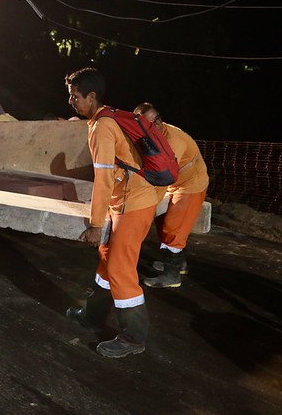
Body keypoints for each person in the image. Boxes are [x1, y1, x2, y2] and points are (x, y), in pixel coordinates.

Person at [64, 67, 159, 358]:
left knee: (120, 268)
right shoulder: (107, 117)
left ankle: (133, 338)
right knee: (108, 258)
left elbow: (104, 177)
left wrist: (95, 223)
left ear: (91, 97)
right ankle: (93, 314)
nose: (71, 102)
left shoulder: (102, 127)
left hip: (134, 203)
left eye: (75, 96)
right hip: (127, 200)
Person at [133, 103, 209, 289]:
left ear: (157, 122)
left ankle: (172, 275)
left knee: (174, 227)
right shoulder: (153, 133)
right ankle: (178, 264)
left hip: (190, 185)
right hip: (176, 183)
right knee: (163, 222)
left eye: (147, 125)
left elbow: (163, 175)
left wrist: (148, 202)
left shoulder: (174, 140)